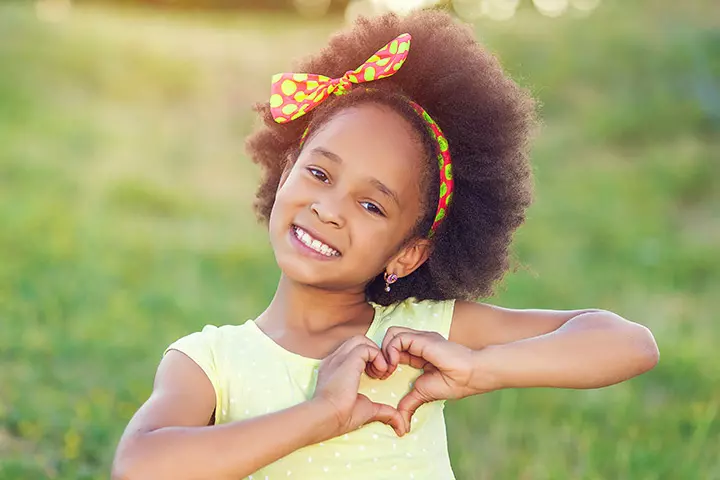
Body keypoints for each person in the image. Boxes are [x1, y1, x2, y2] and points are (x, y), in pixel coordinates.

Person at [112, 9, 659, 480]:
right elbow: (140, 466)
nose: (329, 209)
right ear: (284, 173)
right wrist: (321, 413)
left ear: (408, 253)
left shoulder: (419, 334)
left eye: (372, 205)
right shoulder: (210, 361)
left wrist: (481, 368)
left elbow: (628, 343)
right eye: (320, 174)